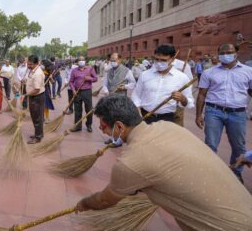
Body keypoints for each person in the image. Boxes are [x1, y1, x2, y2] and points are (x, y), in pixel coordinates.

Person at [75, 94, 252, 231]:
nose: (101, 130)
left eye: (103, 126)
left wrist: (84, 203)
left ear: (119, 126)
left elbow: (105, 200)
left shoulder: (130, 162)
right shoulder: (168, 127)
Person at [195, 43, 252, 183]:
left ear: (236, 53)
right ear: (218, 54)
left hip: (238, 113)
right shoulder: (209, 72)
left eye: (229, 52)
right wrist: (198, 115)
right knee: (211, 144)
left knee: (238, 145)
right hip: (214, 111)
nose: (226, 54)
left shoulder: (248, 71)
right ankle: (210, 173)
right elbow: (202, 94)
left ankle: (235, 172)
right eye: (223, 52)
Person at [131, 45, 194, 125]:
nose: (159, 63)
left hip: (167, 119)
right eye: (156, 59)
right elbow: (136, 94)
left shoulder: (182, 77)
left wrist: (183, 99)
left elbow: (189, 102)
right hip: (145, 116)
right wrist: (138, 111)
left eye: (163, 60)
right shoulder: (144, 75)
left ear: (173, 59)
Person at [69, 56, 98, 132]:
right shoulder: (74, 70)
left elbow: (96, 78)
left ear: (85, 61)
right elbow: (71, 82)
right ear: (77, 62)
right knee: (77, 110)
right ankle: (78, 126)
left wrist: (90, 79)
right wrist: (73, 90)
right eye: (79, 60)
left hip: (87, 91)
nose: (81, 61)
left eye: (83, 59)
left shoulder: (90, 69)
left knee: (89, 109)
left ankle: (89, 125)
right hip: (77, 92)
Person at [25, 55, 45, 144]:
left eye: (30, 64)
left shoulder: (38, 73)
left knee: (37, 117)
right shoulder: (33, 70)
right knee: (35, 116)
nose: (28, 66)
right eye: (28, 64)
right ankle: (39, 133)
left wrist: (26, 95)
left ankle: (38, 137)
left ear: (36, 63)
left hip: (37, 97)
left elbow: (36, 90)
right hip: (34, 96)